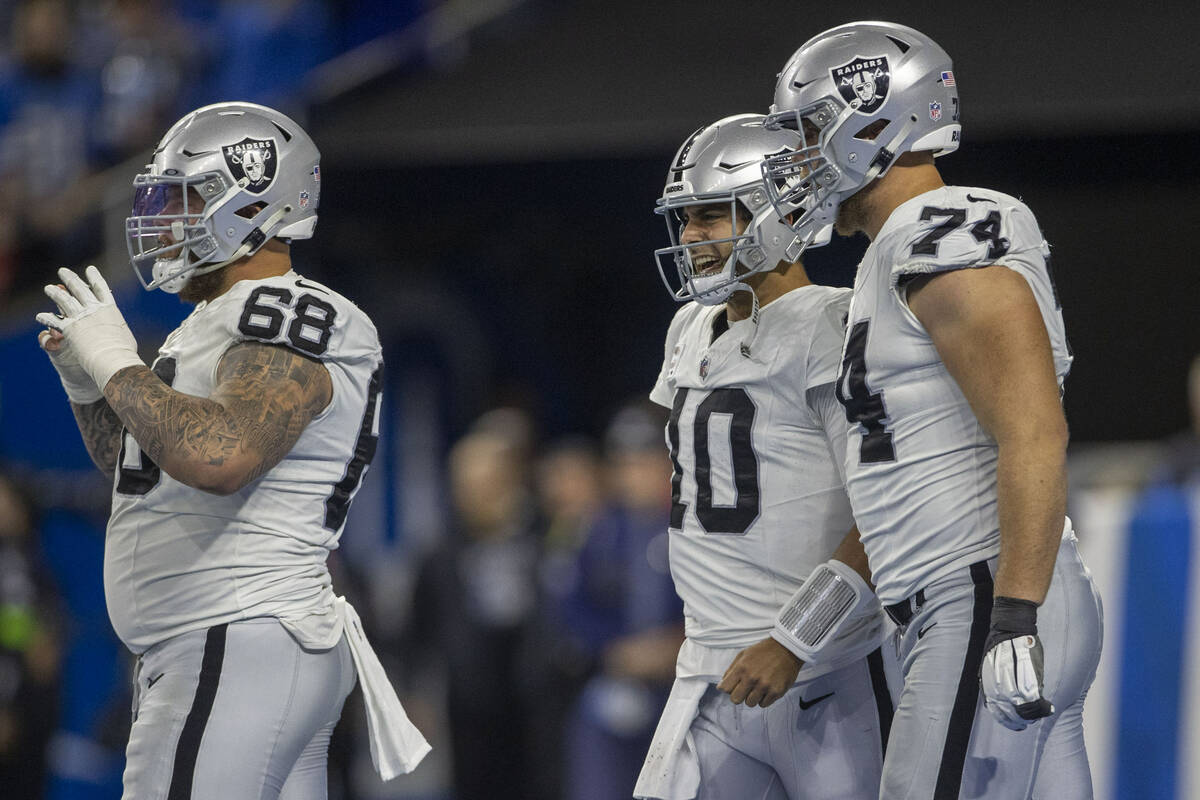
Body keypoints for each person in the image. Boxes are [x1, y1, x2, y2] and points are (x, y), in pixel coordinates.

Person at [35, 101, 429, 799]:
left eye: (183, 202)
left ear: (252, 205)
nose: (161, 223)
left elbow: (220, 457)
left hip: (235, 634)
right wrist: (89, 385)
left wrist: (121, 366)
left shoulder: (287, 308)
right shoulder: (209, 324)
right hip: (237, 641)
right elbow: (147, 471)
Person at [761, 22, 1104, 797]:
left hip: (982, 595)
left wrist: (1013, 611)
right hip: (974, 592)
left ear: (876, 122)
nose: (804, 161)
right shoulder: (892, 253)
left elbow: (1035, 427)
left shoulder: (936, 230)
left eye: (814, 132)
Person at [634, 113, 895, 800]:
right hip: (712, 678)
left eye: (709, 217)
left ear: (780, 209)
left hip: (826, 675)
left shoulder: (832, 323)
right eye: (684, 220)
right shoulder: (689, 327)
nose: (690, 239)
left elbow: (887, 508)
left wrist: (792, 640)